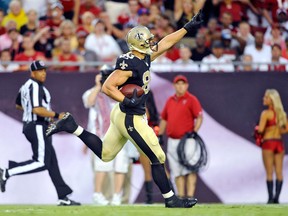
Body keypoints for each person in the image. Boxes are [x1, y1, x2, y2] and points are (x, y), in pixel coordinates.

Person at [46, 2, 205, 208]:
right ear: (138, 44)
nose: (151, 42)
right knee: (157, 155)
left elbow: (166, 42)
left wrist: (187, 27)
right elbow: (108, 86)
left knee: (106, 154)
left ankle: (71, 126)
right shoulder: (130, 63)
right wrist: (126, 99)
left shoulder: (144, 55)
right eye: (147, 40)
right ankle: (170, 199)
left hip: (122, 115)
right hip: (130, 115)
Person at [0, 60, 80, 206]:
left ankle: (63, 196)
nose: (43, 73)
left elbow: (19, 105)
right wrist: (56, 115)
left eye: (44, 70)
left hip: (35, 125)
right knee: (41, 162)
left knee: (51, 162)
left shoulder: (25, 87)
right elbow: (37, 109)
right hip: (37, 126)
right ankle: (7, 171)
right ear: (32, 72)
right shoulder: (35, 86)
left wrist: (36, 113)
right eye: (40, 70)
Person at [82, 65, 131, 205]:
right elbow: (89, 102)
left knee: (120, 166)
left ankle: (117, 196)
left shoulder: (119, 92)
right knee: (101, 166)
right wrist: (98, 86)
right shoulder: (93, 92)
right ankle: (97, 194)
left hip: (119, 135)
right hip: (101, 135)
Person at [158, 75, 203, 199]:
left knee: (190, 169)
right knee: (177, 171)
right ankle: (181, 197)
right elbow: (164, 119)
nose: (180, 86)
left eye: (182, 83)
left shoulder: (191, 99)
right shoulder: (170, 100)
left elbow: (199, 116)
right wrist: (160, 134)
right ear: (174, 86)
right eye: (178, 83)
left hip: (187, 140)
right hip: (173, 140)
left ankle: (190, 197)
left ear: (187, 85)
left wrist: (194, 131)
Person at [257, 89, 287, 204]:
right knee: (279, 171)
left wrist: (261, 131)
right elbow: (285, 129)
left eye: (266, 97)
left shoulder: (265, 114)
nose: (263, 99)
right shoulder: (282, 114)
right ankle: (277, 198)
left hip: (268, 143)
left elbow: (260, 130)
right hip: (279, 143)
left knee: (269, 172)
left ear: (272, 100)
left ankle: (270, 198)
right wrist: (276, 129)